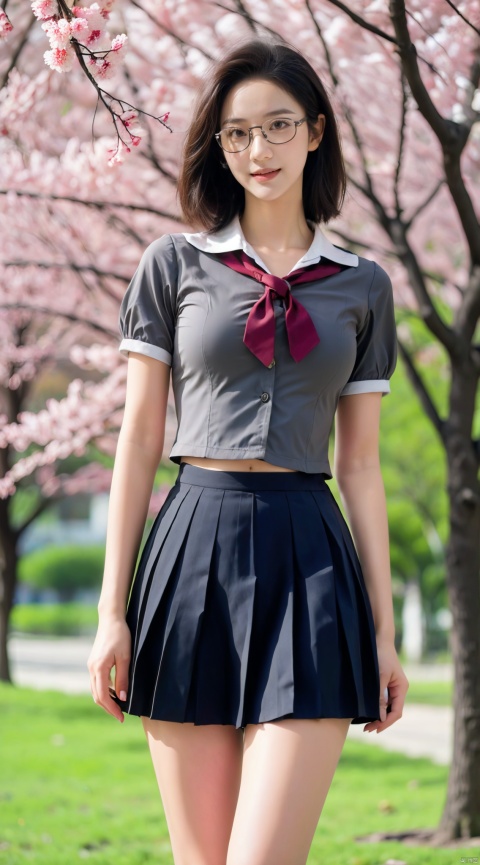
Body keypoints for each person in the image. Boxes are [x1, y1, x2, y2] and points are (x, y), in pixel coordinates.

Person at [88, 36, 409, 865]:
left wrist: (383, 630)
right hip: (194, 543)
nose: (257, 150)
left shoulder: (363, 285)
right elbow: (137, 439)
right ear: (218, 145)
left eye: (276, 127)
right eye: (236, 134)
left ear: (316, 131)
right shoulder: (171, 266)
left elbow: (363, 464)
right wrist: (110, 611)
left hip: (313, 557)